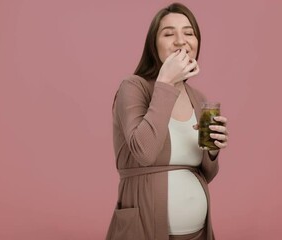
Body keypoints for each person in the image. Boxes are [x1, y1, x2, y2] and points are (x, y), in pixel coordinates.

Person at [106, 3, 229, 240]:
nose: (181, 41)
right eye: (169, 34)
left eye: (189, 33)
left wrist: (212, 150)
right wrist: (165, 83)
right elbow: (144, 152)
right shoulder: (133, 88)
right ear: (154, 44)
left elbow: (206, 174)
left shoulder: (199, 99)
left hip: (198, 234)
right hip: (143, 230)